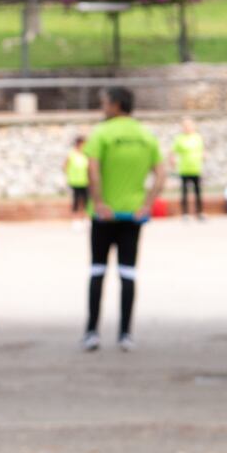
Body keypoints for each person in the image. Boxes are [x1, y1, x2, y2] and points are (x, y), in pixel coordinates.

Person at [81, 87, 164, 351]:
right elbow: (161, 173)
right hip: (132, 215)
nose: (102, 107)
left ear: (116, 105)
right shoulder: (145, 135)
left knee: (98, 271)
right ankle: (125, 334)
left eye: (104, 103)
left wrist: (99, 202)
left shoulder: (102, 133)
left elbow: (92, 171)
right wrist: (148, 204)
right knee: (128, 273)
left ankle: (92, 331)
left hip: (104, 216)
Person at [171, 117, 206, 219]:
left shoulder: (197, 137)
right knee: (184, 192)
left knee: (198, 192)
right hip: (184, 168)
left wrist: (204, 156)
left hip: (196, 168)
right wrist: (172, 160)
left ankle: (199, 212)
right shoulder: (180, 138)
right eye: (185, 126)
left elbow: (202, 149)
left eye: (189, 125)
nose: (187, 128)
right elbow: (173, 151)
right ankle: (185, 213)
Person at [65, 133, 92, 219]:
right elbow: (65, 166)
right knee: (76, 200)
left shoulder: (87, 154)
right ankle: (76, 218)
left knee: (86, 200)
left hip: (86, 181)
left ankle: (85, 217)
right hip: (75, 181)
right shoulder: (72, 154)